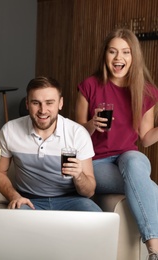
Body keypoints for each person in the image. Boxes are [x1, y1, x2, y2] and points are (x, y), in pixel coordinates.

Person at [75, 28, 158, 258]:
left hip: (127, 159)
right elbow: (75, 134)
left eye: (125, 52)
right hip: (96, 162)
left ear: (133, 57)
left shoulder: (147, 92)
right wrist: (92, 124)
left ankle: (153, 250)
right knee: (146, 187)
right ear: (105, 55)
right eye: (113, 51)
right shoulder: (90, 86)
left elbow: (145, 138)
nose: (118, 58)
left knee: (134, 160)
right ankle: (155, 250)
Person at [0, 76, 101, 212]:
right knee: (17, 218)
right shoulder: (10, 130)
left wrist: (79, 175)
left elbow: (89, 192)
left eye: (49, 103)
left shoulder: (77, 133)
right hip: (29, 200)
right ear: (27, 104)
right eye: (36, 103)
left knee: (96, 218)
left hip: (71, 200)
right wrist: (14, 196)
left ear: (60, 103)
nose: (43, 110)